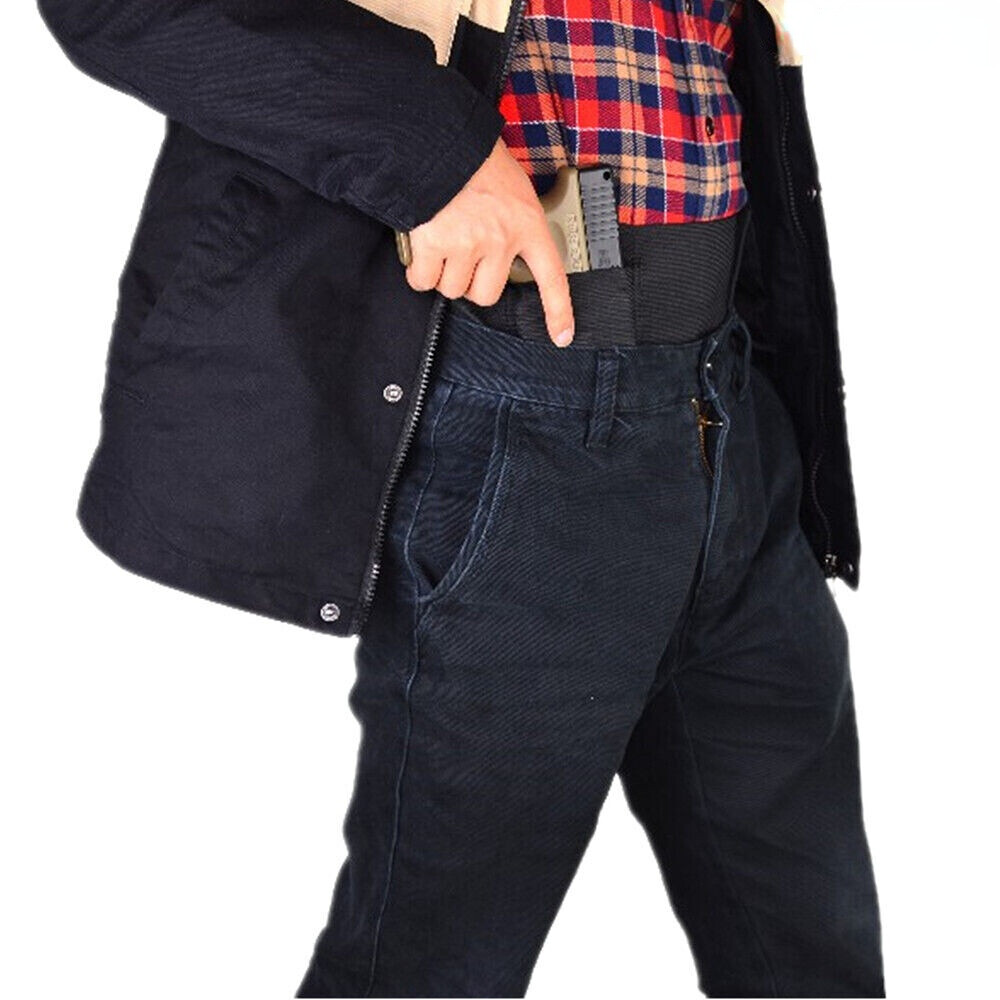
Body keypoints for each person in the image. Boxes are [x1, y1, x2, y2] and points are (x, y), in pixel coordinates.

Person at [38, 0, 884, 996]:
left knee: (812, 957)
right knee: (434, 971)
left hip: (730, 405)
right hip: (520, 415)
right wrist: (425, 149)